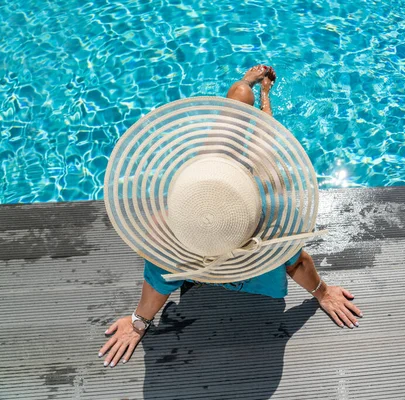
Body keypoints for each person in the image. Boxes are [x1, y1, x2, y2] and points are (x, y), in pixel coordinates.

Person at [99, 65, 363, 368]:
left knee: (255, 132)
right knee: (259, 135)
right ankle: (254, 89)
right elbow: (297, 262)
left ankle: (257, 89)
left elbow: (157, 284)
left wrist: (138, 323)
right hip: (219, 183)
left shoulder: (171, 233)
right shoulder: (274, 223)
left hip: (212, 178)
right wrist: (323, 292)